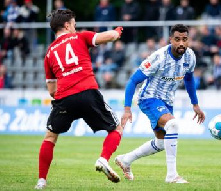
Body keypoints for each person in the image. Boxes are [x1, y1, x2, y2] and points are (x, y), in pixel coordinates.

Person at [34, 9, 124, 189]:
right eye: (74, 24)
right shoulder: (80, 38)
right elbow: (109, 37)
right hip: (87, 92)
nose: (75, 28)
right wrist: (117, 32)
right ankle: (103, 159)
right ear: (67, 25)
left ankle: (41, 181)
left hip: (64, 97)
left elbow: (51, 90)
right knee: (116, 128)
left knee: (50, 137)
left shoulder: (49, 53)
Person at [115, 24, 205, 183]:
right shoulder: (159, 57)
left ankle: (126, 160)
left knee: (162, 142)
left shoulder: (190, 56)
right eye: (177, 39)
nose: (181, 43)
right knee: (173, 125)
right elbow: (133, 81)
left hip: (167, 101)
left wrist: (195, 104)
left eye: (185, 39)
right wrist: (127, 108)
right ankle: (171, 176)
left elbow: (189, 79)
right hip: (148, 98)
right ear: (170, 40)